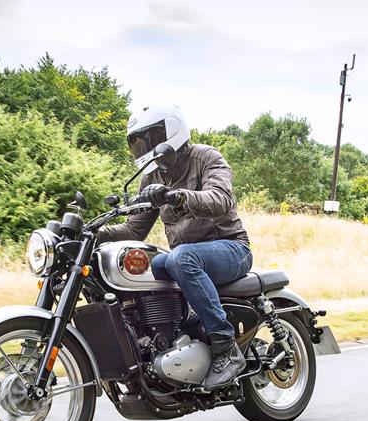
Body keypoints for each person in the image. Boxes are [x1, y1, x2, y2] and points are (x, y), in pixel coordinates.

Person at [98, 104, 253, 390]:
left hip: (231, 248)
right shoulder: (152, 177)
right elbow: (133, 230)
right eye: (138, 142)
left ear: (171, 132)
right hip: (188, 257)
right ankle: (166, 339)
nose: (144, 147)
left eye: (150, 138)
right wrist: (93, 234)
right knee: (148, 263)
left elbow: (221, 200)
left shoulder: (206, 157)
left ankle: (225, 345)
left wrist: (178, 196)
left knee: (181, 258)